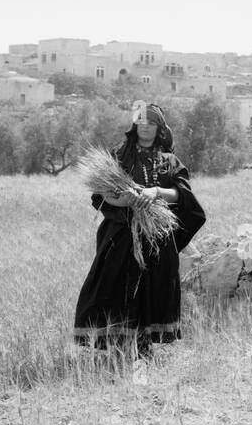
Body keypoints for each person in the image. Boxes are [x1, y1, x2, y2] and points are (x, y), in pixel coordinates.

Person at [73, 103, 206, 352]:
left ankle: (144, 347)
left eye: (152, 123)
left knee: (152, 287)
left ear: (160, 128)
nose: (145, 126)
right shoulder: (118, 156)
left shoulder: (170, 162)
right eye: (141, 122)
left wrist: (155, 192)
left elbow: (183, 195)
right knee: (113, 285)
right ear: (135, 125)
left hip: (156, 237)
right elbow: (100, 192)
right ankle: (117, 344)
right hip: (121, 236)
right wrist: (122, 200)